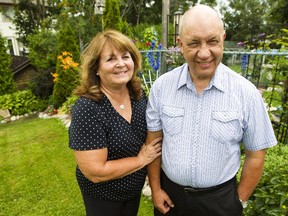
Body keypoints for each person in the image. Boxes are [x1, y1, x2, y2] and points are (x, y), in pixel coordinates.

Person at [146, 4, 277, 216]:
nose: (204, 53)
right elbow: (153, 143)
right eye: (194, 43)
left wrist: (239, 201)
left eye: (213, 41)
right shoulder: (162, 88)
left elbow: (256, 154)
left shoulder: (246, 93)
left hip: (221, 202)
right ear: (180, 44)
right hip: (171, 199)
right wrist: (156, 188)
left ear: (223, 38)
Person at [68, 30, 162, 216]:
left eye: (125, 57)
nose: (121, 64)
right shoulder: (88, 108)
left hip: (132, 192)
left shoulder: (138, 96)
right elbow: (95, 172)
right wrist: (140, 160)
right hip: (103, 198)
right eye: (110, 59)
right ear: (96, 68)